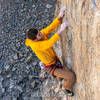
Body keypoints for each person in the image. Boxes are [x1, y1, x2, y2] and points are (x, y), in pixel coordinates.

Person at [25, 7, 76, 96]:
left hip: (53, 61)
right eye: (39, 34)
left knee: (60, 76)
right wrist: (60, 30)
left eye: (39, 32)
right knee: (71, 76)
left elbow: (50, 27)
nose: (41, 33)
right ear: (35, 39)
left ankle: (59, 79)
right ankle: (65, 88)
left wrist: (59, 16)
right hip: (50, 67)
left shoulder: (40, 35)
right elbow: (49, 43)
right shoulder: (36, 45)